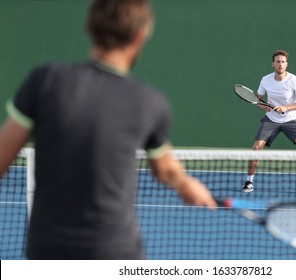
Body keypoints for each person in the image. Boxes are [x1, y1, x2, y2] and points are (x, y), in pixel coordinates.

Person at [0, 0, 216, 260]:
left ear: (90, 28)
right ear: (139, 35)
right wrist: (184, 183)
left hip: (48, 253)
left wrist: (182, 182)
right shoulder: (150, 103)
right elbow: (165, 170)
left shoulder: (45, 80)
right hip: (116, 254)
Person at [241, 50, 296, 195]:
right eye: (278, 61)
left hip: (292, 119)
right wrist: (264, 107)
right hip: (271, 119)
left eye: (283, 62)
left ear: (286, 64)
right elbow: (257, 100)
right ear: (273, 64)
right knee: (256, 148)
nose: (280, 64)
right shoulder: (265, 80)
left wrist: (286, 107)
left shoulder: (294, 80)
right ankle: (249, 181)